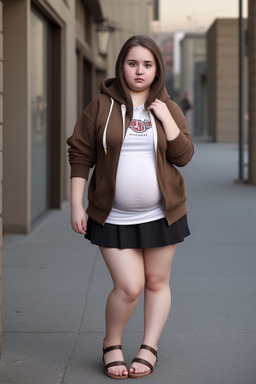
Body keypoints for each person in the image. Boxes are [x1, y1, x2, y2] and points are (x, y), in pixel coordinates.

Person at [67, 35, 194, 380]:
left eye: (148, 64)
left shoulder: (169, 107)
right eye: (133, 63)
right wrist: (76, 203)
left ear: (157, 70)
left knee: (156, 281)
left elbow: (183, 156)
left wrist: (165, 116)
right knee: (129, 286)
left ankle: (149, 346)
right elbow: (80, 155)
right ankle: (112, 342)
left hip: (162, 213)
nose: (140, 70)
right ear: (121, 65)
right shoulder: (100, 107)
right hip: (113, 215)